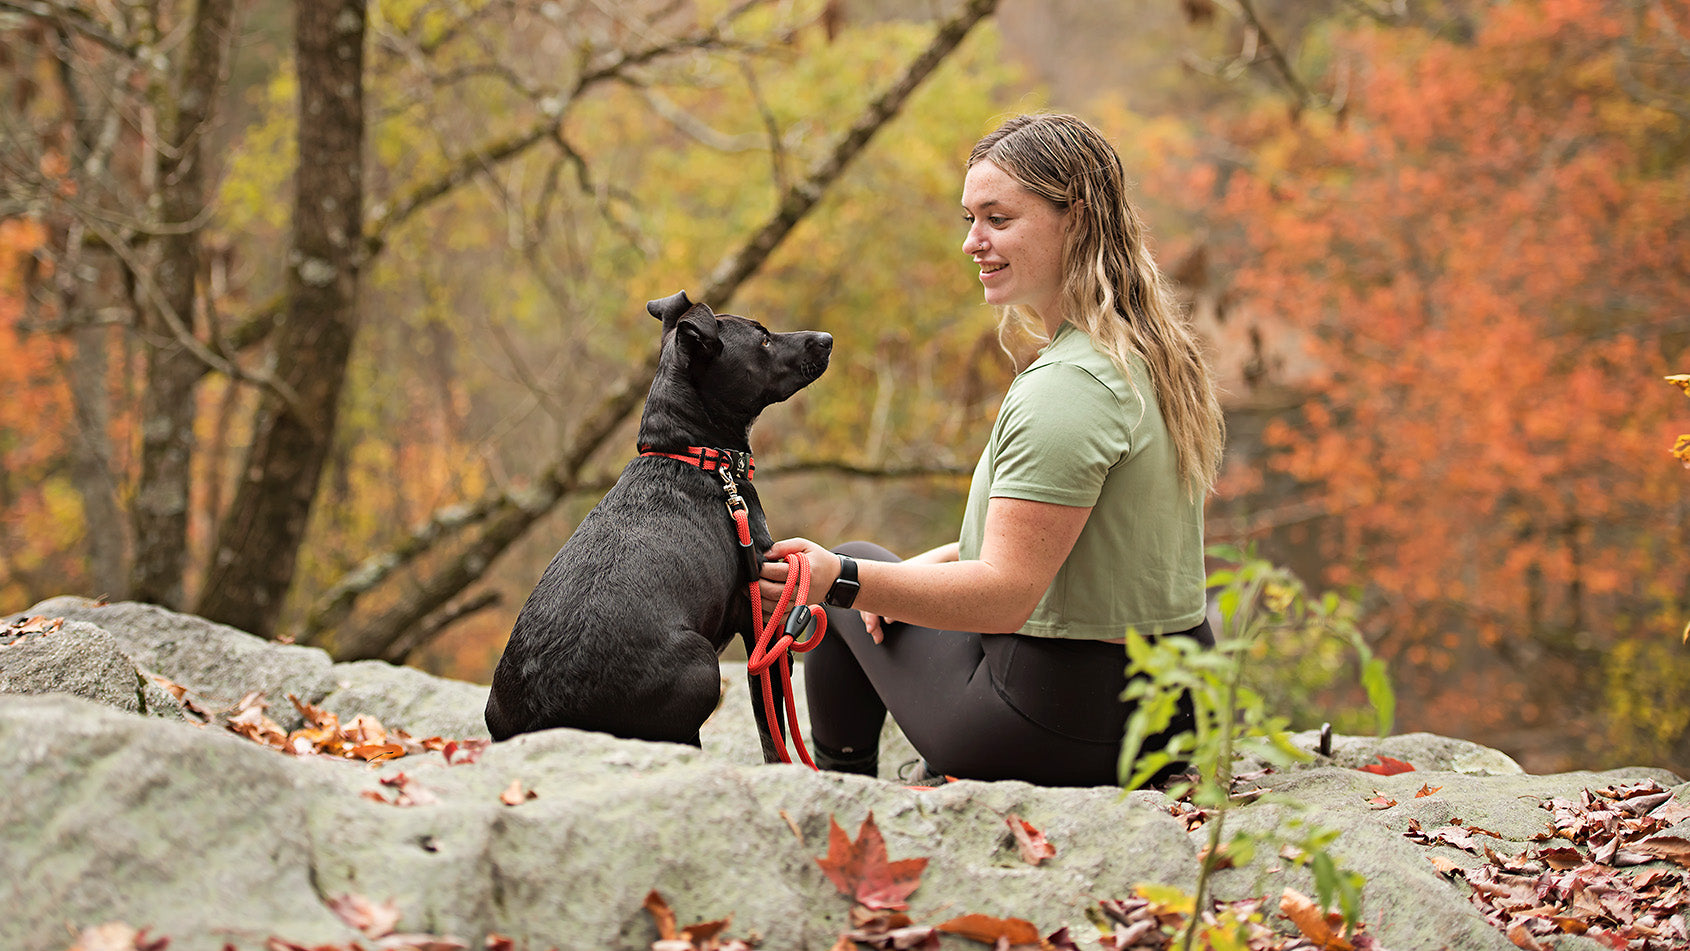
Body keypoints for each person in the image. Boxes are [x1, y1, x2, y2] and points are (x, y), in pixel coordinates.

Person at [757, 113, 1225, 787]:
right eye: (970, 218)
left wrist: (840, 582)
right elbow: (1078, 540)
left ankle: (845, 792)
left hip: (1061, 722)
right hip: (1175, 702)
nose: (973, 242)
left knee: (849, 576)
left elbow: (1006, 594)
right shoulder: (1149, 353)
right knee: (878, 574)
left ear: (1078, 219)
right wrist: (910, 576)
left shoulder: (1067, 388)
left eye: (998, 219)